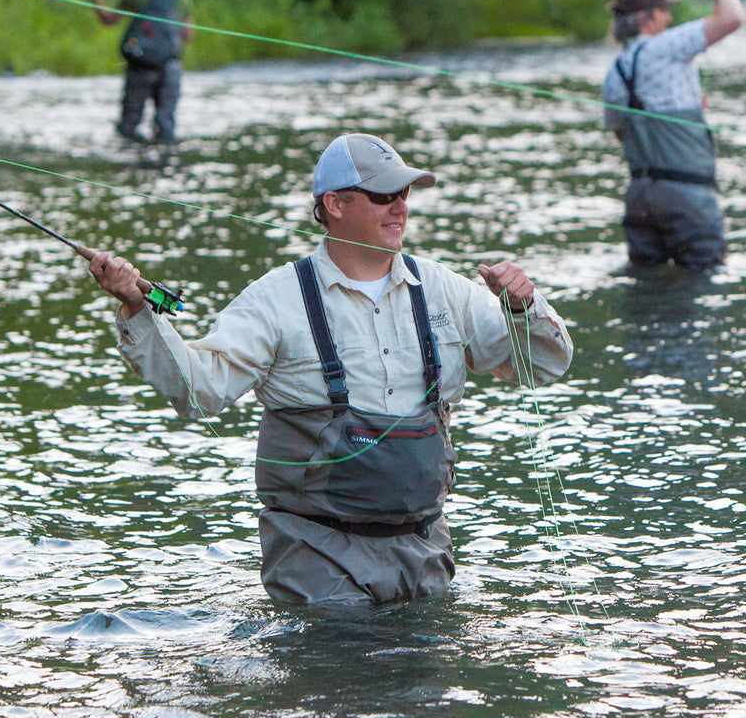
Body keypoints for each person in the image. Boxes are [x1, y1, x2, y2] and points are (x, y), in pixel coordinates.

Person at [86, 132, 574, 606]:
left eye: (403, 193)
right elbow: (199, 392)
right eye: (384, 195)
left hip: (425, 550)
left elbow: (547, 365)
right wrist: (135, 305)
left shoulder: (447, 290)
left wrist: (524, 307)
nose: (400, 206)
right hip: (314, 557)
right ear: (334, 205)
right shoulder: (274, 300)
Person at [601, 0, 743, 271]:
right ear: (644, 17)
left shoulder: (613, 73)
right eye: (663, 9)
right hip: (688, 198)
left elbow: (623, 135)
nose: (669, 16)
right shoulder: (665, 47)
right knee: (705, 283)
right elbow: (732, 17)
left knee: (646, 285)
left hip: (639, 199)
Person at [88, 0, 194, 144]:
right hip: (170, 70)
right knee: (166, 125)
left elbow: (108, 20)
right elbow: (188, 36)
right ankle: (166, 164)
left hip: (140, 69)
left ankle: (131, 167)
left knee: (128, 126)